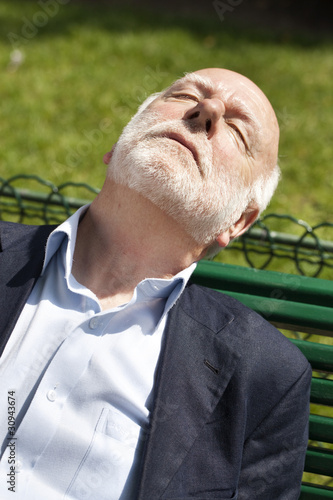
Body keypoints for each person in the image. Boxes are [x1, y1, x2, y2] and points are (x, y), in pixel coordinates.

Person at [0, 68, 311, 499]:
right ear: (116, 148)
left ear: (238, 220)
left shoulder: (266, 377)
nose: (208, 109)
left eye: (238, 130)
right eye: (184, 94)